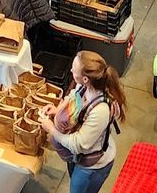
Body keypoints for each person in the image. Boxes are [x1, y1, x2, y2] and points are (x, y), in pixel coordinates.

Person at [37, 50, 127, 193]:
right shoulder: (83, 87)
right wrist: (58, 110)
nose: (71, 70)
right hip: (77, 158)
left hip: (92, 166)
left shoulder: (101, 109)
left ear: (85, 78)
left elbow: (78, 144)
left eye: (74, 69)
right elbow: (73, 100)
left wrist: (52, 130)